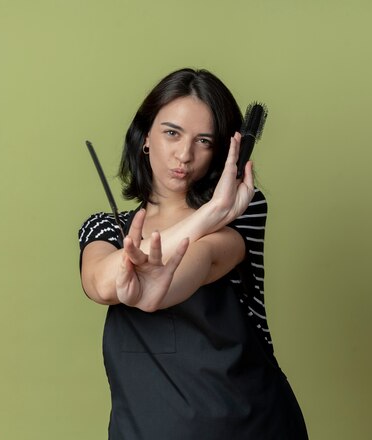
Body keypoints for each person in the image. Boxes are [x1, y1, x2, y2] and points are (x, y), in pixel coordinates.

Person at [78, 68, 308, 439]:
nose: (184, 154)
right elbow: (101, 284)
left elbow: (202, 261)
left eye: (204, 141)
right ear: (145, 137)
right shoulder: (105, 228)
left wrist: (214, 214)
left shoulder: (242, 211)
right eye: (172, 133)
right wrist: (209, 215)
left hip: (252, 426)